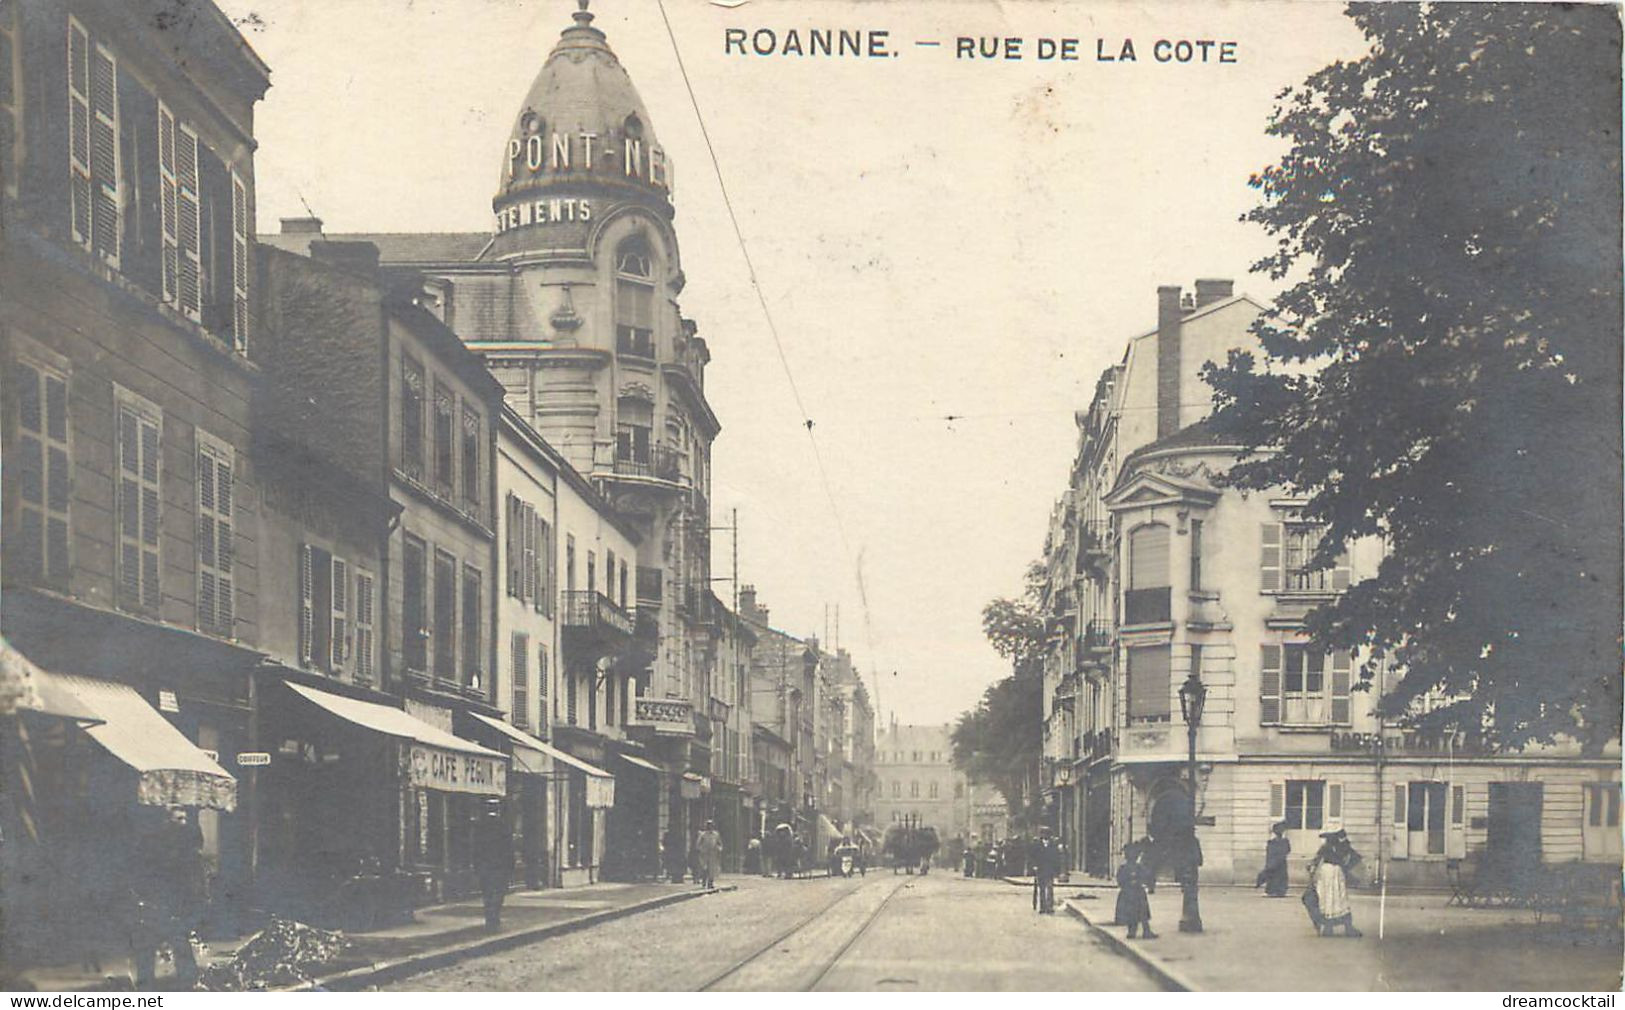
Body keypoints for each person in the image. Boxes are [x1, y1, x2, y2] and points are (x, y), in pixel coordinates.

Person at [129, 807, 206, 988]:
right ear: (167, 820)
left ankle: (187, 981)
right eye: (179, 819)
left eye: (185, 819)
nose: (183, 823)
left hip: (176, 900)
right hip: (156, 898)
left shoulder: (185, 842)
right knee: (150, 941)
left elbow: (189, 872)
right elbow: (142, 870)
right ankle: (147, 985)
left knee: (178, 940)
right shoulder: (153, 841)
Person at [1306, 829, 1363, 938]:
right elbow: (1355, 857)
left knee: (1328, 899)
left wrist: (1311, 869)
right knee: (1338, 899)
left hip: (1327, 873)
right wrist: (1346, 866)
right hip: (1335, 873)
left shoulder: (1328, 847)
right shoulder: (1342, 846)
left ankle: (1329, 927)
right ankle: (1345, 927)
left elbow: (1316, 860)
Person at [474, 800, 513, 931]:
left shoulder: (480, 826)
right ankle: (494, 916)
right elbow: (509, 848)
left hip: (485, 867)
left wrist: (476, 866)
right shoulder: (503, 826)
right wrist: (510, 867)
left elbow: (476, 848)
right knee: (499, 892)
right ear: (498, 810)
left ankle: (489, 917)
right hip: (500, 867)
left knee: (487, 893)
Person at [1115, 843, 1157, 940]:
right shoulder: (1136, 867)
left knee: (1138, 913)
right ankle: (1139, 931)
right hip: (1135, 892)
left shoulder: (1127, 868)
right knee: (1139, 913)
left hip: (1131, 893)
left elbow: (1120, 881)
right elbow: (1147, 877)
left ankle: (1139, 931)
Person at [1255, 821, 1291, 897]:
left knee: (1278, 877)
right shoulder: (1274, 842)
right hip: (1277, 862)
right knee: (1275, 877)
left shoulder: (1280, 842)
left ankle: (1277, 891)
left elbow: (1286, 851)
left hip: (1278, 863)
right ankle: (1275, 891)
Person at [1032, 826, 1062, 914]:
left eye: (1047, 833)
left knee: (1050, 888)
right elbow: (1033, 856)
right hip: (1040, 869)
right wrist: (1034, 866)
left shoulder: (1053, 845)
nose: (1045, 835)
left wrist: (1057, 870)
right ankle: (1042, 907)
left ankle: (1049, 907)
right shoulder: (1037, 844)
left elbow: (1056, 857)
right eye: (1043, 833)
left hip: (1050, 869)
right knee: (1041, 889)